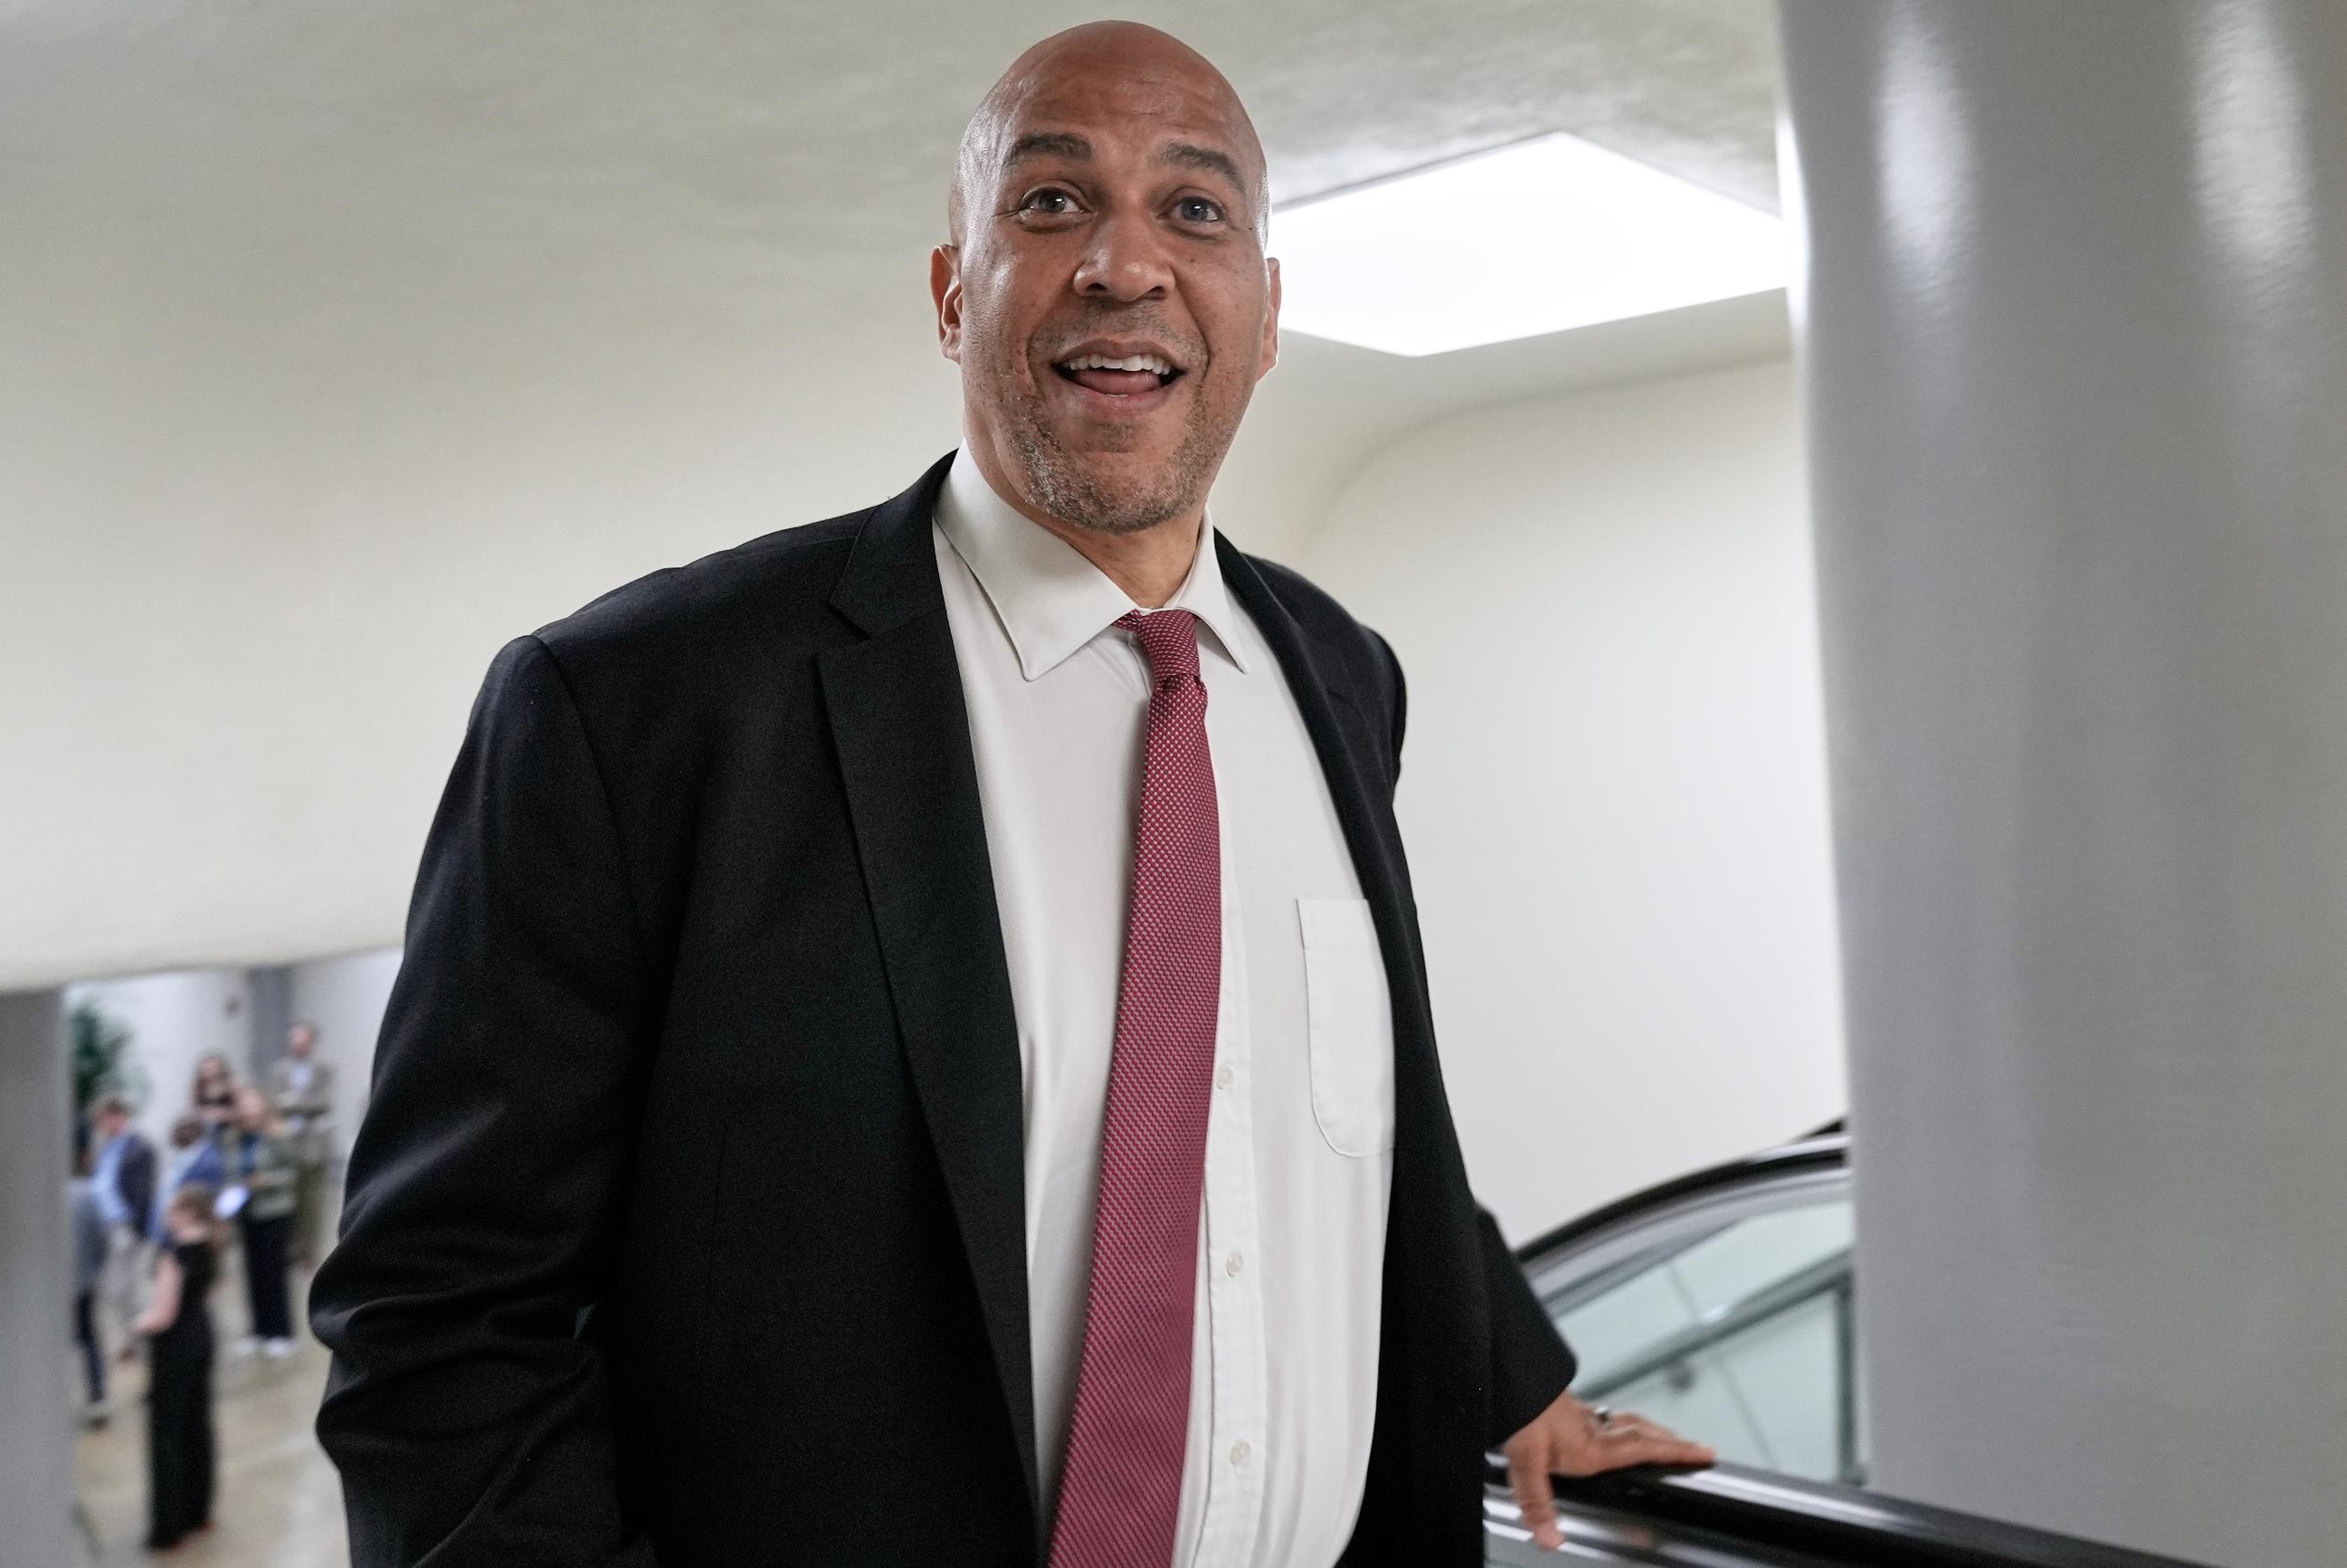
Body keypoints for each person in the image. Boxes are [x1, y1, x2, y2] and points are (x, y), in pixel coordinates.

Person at [312, 23, 1711, 1567]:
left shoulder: (1338, 672)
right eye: (1050, 203)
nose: (1124, 265)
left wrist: (1514, 1373)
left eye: (1192, 210)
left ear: (1263, 315)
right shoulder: (635, 705)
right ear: (948, 293)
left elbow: (1328, 1114)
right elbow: (443, 1315)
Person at [136, 1183, 220, 1551]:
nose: (168, 1215)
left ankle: (168, 1529)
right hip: (202, 1336)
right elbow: (212, 1291)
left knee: (167, 1436)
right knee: (198, 1426)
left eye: (173, 1209)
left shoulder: (173, 1252)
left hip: (174, 1346)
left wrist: (138, 1325)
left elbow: (163, 1315)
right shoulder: (212, 1244)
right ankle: (198, 1512)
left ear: (188, 1213)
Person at [223, 1086, 298, 1358]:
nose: (247, 1111)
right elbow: (230, 1170)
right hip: (247, 1212)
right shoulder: (233, 1138)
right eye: (242, 1106)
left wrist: (265, 1181)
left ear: (263, 1107)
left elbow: (291, 1174)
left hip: (273, 1211)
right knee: (252, 1274)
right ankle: (259, 1331)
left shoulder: (277, 1135)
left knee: (273, 1274)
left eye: (252, 1105)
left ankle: (282, 1332)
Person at [89, 1095, 157, 1364]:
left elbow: (143, 1194)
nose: (103, 1125)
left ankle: (144, 1344)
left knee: (126, 1288)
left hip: (124, 1226)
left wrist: (135, 1228)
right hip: (104, 1225)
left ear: (117, 1116)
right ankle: (131, 1340)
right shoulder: (105, 1146)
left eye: (106, 1119)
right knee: (115, 1290)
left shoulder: (140, 1147)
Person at [267, 1022, 337, 1265]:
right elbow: (274, 1103)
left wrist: (292, 1102)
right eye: (294, 1040)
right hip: (287, 1143)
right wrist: (300, 1103)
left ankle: (311, 1249)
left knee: (313, 1202)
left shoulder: (323, 1069)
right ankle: (292, 1247)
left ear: (311, 1042)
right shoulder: (279, 1070)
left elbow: (323, 1102)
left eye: (302, 1040)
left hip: (315, 1145)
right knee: (290, 1200)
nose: (298, 1044)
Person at [69, 1138, 111, 1426]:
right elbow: (101, 1238)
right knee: (89, 1339)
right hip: (84, 1281)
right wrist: (95, 1270)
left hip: (57, 1288)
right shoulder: (86, 1194)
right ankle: (97, 1398)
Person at [189, 1053, 237, 1137]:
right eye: (207, 1070)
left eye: (213, 1069)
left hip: (230, 1128)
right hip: (205, 1129)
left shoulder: (232, 1087)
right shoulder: (199, 1090)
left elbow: (241, 1110)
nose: (210, 1073)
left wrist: (221, 1114)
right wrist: (205, 1115)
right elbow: (194, 1111)